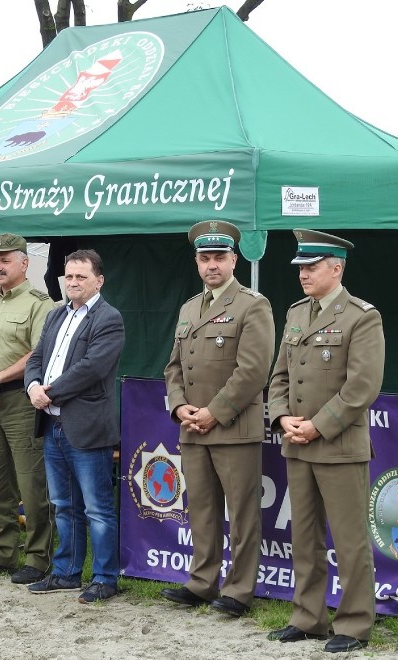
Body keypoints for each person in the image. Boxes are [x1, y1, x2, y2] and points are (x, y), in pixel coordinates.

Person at [267, 229, 385, 653]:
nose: (303, 274)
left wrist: (318, 425)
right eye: (301, 266)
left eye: (312, 266)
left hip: (337, 445)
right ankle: (308, 617)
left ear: (337, 268)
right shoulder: (297, 314)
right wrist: (281, 417)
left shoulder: (362, 316)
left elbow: (362, 386)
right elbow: (279, 376)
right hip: (297, 442)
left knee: (349, 540)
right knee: (305, 536)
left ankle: (352, 625)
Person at [161, 220, 274, 618]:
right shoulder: (190, 307)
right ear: (196, 262)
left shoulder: (252, 305)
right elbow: (174, 366)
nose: (212, 265)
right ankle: (201, 582)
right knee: (202, 511)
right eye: (205, 258)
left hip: (233, 429)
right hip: (192, 427)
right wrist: (179, 407)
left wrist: (214, 412)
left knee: (242, 514)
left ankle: (240, 591)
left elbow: (254, 371)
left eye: (219, 258)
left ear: (234, 259)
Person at [24, 249, 125, 603]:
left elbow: (92, 368)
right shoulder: (55, 316)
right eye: (69, 276)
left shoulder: (108, 318)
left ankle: (105, 578)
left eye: (81, 276)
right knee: (64, 505)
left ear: (99, 280)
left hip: (86, 427)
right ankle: (66, 572)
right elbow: (36, 358)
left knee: (97, 508)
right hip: (52, 426)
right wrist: (33, 386)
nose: (73, 282)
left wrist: (49, 393)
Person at [0, 233, 56, 584]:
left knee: (31, 485)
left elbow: (39, 353)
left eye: (5, 260)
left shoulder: (39, 304)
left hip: (21, 399)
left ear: (24, 263)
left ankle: (37, 558)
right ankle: (3, 553)